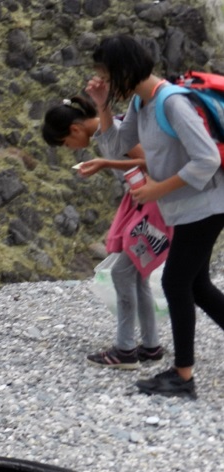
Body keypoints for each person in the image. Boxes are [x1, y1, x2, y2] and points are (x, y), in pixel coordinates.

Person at [89, 34, 224, 398]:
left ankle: (183, 377)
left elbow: (208, 159)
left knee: (176, 283)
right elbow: (118, 145)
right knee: (196, 285)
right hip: (188, 206)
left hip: (208, 205)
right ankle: (182, 374)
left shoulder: (171, 103)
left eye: (106, 73)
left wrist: (155, 190)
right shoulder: (140, 101)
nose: (103, 79)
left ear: (123, 69)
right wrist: (102, 106)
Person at [43, 95, 171, 369]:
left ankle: (125, 350)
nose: (71, 148)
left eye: (66, 143)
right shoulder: (106, 129)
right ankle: (150, 346)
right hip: (150, 203)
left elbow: (151, 162)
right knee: (136, 275)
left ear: (75, 130)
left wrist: (106, 163)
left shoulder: (109, 130)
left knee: (122, 273)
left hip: (155, 204)